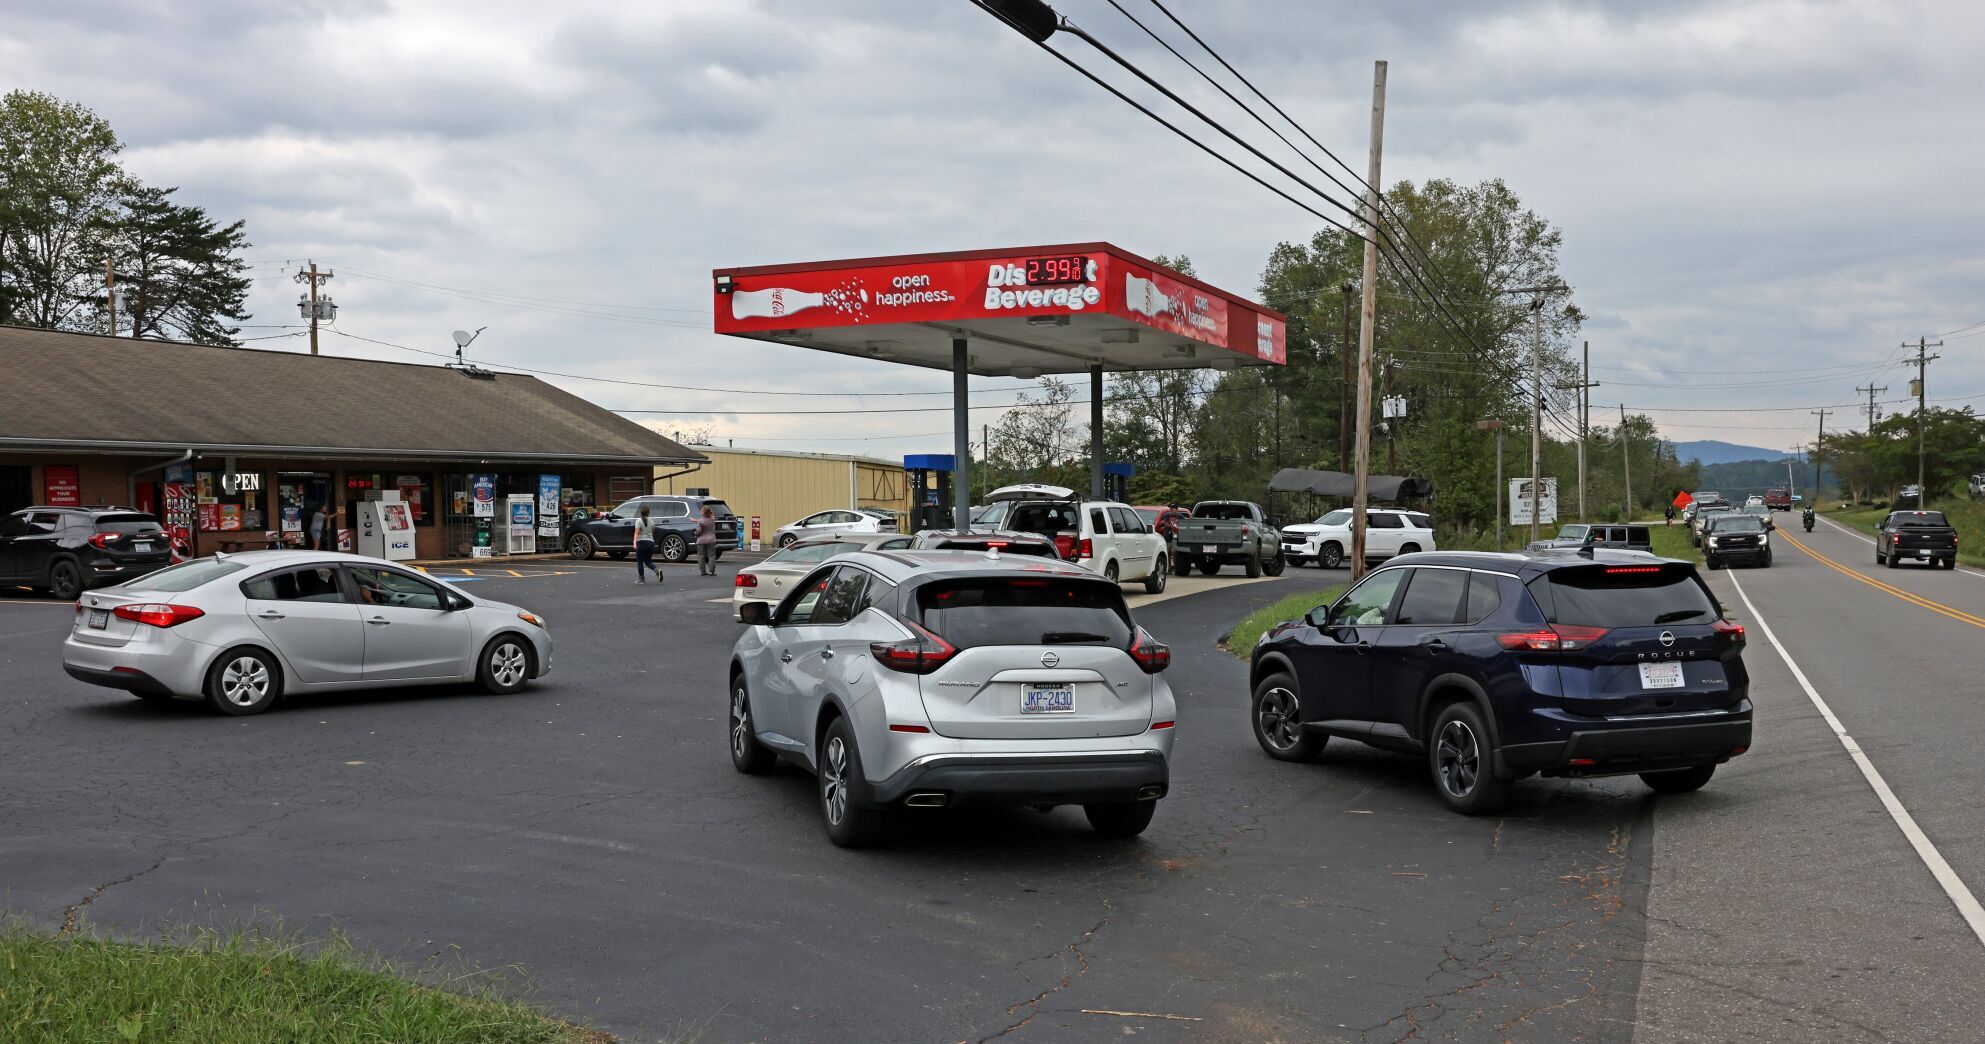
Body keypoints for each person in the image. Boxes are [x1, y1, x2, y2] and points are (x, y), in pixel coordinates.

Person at [633, 505, 659, 584]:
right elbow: (652, 533)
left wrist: (634, 543)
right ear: (648, 513)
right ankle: (657, 570)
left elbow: (637, 533)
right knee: (648, 561)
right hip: (650, 543)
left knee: (640, 562)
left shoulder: (638, 521)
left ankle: (641, 579)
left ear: (641, 512)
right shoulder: (652, 522)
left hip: (641, 543)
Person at [696, 505, 719, 576]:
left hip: (701, 541)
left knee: (701, 556)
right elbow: (712, 513)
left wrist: (695, 533)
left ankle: (703, 571)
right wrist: (710, 511)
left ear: (703, 512)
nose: (700, 511)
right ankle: (712, 571)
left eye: (701, 510)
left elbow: (699, 532)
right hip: (711, 540)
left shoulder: (700, 521)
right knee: (711, 556)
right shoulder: (712, 519)